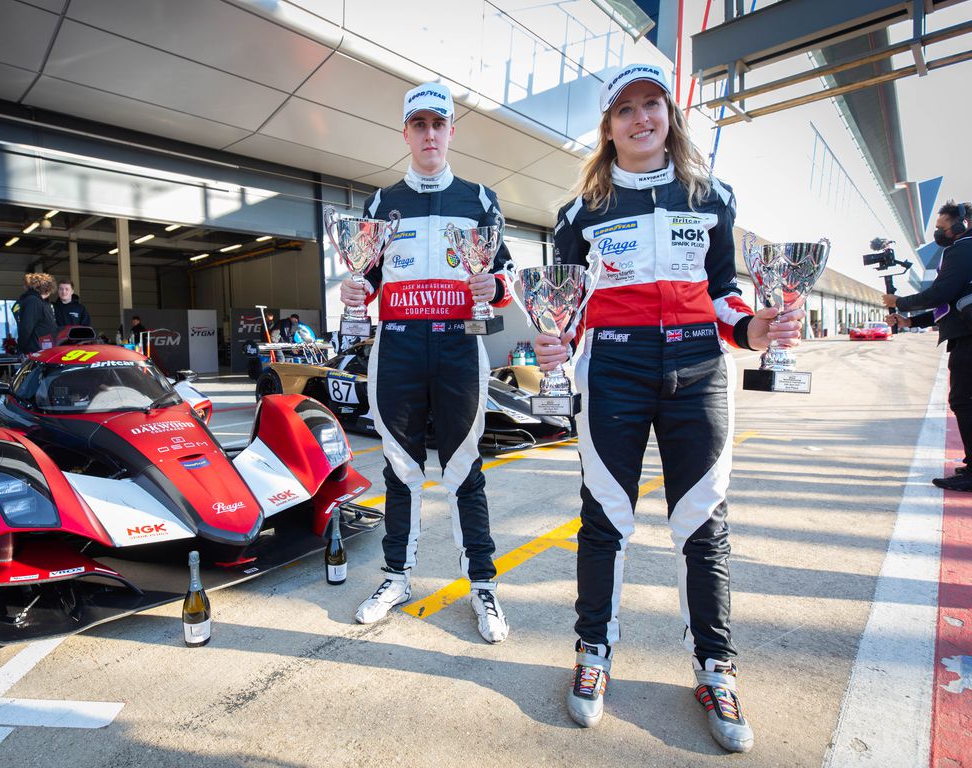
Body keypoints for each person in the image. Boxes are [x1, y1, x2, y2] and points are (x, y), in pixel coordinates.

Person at [534, 63, 804, 752]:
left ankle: (716, 668)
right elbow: (565, 307)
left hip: (698, 369)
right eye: (625, 110)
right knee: (605, 521)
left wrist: (756, 331)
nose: (641, 119)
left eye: (652, 104)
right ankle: (593, 652)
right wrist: (551, 342)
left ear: (670, 114)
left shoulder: (711, 194)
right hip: (615, 370)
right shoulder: (581, 211)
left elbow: (722, 293)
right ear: (608, 126)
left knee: (703, 526)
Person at [339, 81, 514, 644]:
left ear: (451, 132)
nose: (430, 134)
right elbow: (363, 278)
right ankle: (396, 577)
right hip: (399, 348)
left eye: (439, 124)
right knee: (399, 467)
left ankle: (482, 585)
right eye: (419, 125)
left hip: (461, 344)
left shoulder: (480, 199)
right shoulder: (379, 202)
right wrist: (351, 291)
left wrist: (496, 284)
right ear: (406, 134)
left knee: (466, 467)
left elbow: (505, 279)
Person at [885, 200, 972, 490]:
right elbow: (947, 303)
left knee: (964, 401)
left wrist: (900, 302)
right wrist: (911, 322)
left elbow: (940, 293)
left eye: (941, 228)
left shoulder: (961, 249)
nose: (938, 234)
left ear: (961, 225)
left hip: (968, 339)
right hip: (965, 333)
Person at [12, 273, 58, 354]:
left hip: (42, 349)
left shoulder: (39, 302)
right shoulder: (33, 301)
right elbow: (26, 328)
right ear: (46, 288)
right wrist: (20, 348)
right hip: (35, 351)